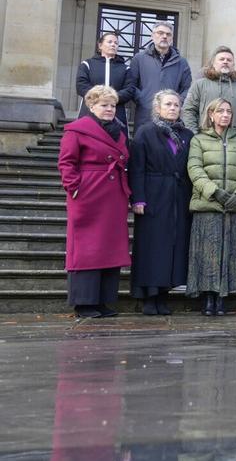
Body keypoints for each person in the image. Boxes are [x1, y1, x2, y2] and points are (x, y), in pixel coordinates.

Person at [58, 85, 131, 318]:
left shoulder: (119, 132)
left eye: (113, 105)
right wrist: (74, 188)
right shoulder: (77, 130)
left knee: (109, 247)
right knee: (87, 248)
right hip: (88, 194)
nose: (110, 109)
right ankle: (84, 303)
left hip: (113, 196)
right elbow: (66, 162)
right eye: (104, 105)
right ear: (91, 106)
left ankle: (103, 301)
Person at [129, 89, 193, 315]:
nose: (173, 108)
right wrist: (138, 198)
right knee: (151, 245)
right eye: (168, 104)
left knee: (172, 245)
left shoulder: (187, 135)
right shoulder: (145, 132)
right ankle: (148, 296)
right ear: (157, 108)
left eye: (176, 105)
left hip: (178, 196)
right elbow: (136, 168)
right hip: (153, 194)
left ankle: (163, 293)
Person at [186, 98, 236, 316]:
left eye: (228, 111)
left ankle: (223, 297)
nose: (225, 115)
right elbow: (194, 168)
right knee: (207, 253)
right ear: (211, 115)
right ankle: (208, 297)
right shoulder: (198, 139)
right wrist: (213, 191)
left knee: (231, 251)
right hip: (208, 205)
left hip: (234, 205)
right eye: (220, 111)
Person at [128, 23, 192, 129]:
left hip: (171, 118)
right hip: (145, 115)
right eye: (160, 33)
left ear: (172, 38)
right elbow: (131, 85)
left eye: (168, 34)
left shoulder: (182, 62)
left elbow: (187, 88)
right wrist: (143, 99)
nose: (164, 36)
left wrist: (175, 103)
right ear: (152, 36)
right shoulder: (139, 59)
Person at [182, 46, 236, 134]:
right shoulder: (199, 85)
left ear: (233, 65)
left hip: (235, 139)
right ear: (213, 63)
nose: (225, 62)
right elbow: (188, 110)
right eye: (221, 59)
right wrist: (194, 134)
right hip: (205, 138)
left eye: (229, 60)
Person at [76, 31, 135, 129]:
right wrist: (99, 99)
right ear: (100, 45)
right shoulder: (87, 65)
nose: (113, 45)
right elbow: (81, 86)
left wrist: (111, 99)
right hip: (90, 110)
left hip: (117, 112)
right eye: (110, 42)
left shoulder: (125, 69)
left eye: (116, 43)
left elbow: (129, 89)